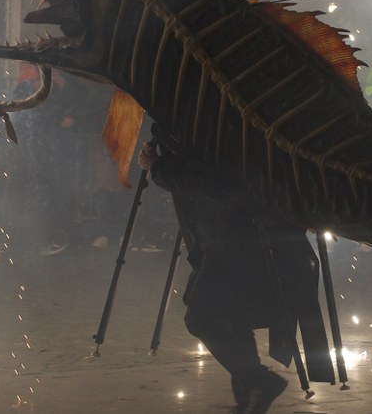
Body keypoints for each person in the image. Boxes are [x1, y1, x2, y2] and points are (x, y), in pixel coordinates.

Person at [138, 132, 332, 414]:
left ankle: (260, 383)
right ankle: (249, 398)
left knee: (201, 316)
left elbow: (209, 184)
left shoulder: (214, 130)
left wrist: (157, 166)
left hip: (234, 242)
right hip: (227, 240)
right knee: (231, 316)